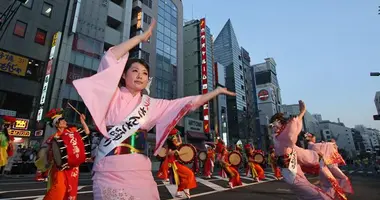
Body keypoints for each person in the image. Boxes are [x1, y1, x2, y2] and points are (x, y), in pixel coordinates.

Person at [72, 20, 235, 199]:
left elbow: (187, 102)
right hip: (110, 169)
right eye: (134, 71)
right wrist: (140, 37)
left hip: (141, 170)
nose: (140, 76)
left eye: (144, 73)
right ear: (123, 75)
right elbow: (110, 58)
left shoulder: (152, 104)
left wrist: (216, 92)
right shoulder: (113, 95)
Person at [269, 100, 334, 200]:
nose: (272, 127)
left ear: (281, 124)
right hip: (292, 176)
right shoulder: (279, 137)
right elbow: (291, 130)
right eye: (272, 125)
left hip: (293, 175)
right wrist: (302, 112)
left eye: (274, 124)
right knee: (316, 196)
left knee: (311, 195)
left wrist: (302, 112)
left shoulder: (283, 137)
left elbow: (291, 130)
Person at [34, 108, 90, 200]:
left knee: (71, 189)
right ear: (57, 124)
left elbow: (86, 132)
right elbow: (44, 153)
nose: (65, 121)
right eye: (62, 120)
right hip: (59, 167)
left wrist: (82, 121)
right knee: (59, 188)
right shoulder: (54, 138)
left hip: (73, 166)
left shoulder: (71, 131)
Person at [305, 132, 353, 197]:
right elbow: (325, 146)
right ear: (311, 138)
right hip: (324, 166)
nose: (315, 139)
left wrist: (328, 144)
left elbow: (324, 147)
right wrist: (332, 143)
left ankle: (332, 195)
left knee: (328, 184)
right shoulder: (314, 145)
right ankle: (333, 195)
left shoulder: (311, 146)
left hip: (323, 166)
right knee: (331, 184)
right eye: (314, 137)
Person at [166, 128, 197, 198]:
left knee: (183, 178)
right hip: (175, 164)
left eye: (176, 138)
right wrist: (175, 152)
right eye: (174, 138)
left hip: (179, 163)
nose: (176, 139)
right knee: (190, 174)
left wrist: (178, 134)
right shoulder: (171, 147)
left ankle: (179, 191)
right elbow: (168, 153)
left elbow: (181, 142)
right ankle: (186, 190)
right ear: (171, 140)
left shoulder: (177, 145)